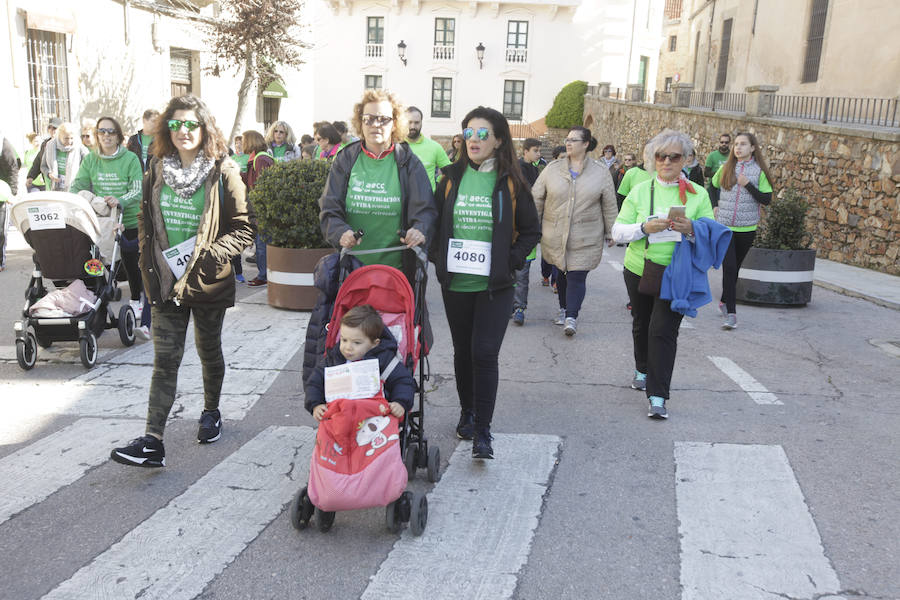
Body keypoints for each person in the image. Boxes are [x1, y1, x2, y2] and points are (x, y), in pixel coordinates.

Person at [110, 94, 254, 468]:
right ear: (166, 129)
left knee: (208, 350)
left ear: (204, 128)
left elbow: (244, 229)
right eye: (176, 124)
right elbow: (144, 218)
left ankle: (211, 411)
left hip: (206, 280)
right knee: (165, 360)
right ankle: (152, 442)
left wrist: (210, 256)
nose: (184, 130)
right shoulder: (156, 168)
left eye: (191, 124)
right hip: (165, 280)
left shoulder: (224, 171)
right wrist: (146, 258)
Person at [431, 106, 540, 459]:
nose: (473, 140)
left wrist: (509, 261)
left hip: (495, 286)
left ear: (498, 140)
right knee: (463, 352)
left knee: (484, 352)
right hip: (456, 284)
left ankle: (483, 430)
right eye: (468, 133)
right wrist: (437, 256)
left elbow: (531, 231)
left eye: (482, 134)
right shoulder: (450, 178)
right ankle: (467, 413)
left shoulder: (512, 182)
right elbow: (433, 223)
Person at [611, 129, 714, 420]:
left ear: (686, 160)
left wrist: (691, 228)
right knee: (642, 324)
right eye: (660, 156)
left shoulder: (698, 194)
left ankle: (658, 396)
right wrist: (644, 228)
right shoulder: (640, 190)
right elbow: (617, 231)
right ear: (652, 159)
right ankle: (642, 368)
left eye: (674, 156)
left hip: (678, 275)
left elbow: (711, 234)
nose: (666, 161)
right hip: (639, 269)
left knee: (663, 331)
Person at [319, 88, 436, 275]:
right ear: (361, 123)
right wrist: (340, 232)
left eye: (383, 119)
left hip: (397, 274)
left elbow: (425, 210)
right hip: (352, 271)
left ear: (395, 124)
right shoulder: (346, 159)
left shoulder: (409, 162)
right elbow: (329, 209)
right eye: (369, 119)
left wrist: (418, 230)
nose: (375, 125)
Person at [532, 126, 618, 336]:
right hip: (555, 234)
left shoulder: (600, 172)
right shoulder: (552, 169)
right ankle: (563, 309)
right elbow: (537, 198)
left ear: (586, 144)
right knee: (561, 273)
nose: (568, 143)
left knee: (577, 276)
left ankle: (571, 316)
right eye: (567, 139)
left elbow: (609, 204)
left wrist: (612, 231)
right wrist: (532, 227)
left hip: (586, 235)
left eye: (573, 140)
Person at [70, 117, 144, 319]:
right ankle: (100, 298)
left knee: (130, 261)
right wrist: (70, 199)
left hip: (127, 219)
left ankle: (136, 299)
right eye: (102, 131)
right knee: (99, 260)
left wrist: (120, 200)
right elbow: (79, 184)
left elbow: (137, 189)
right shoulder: (91, 159)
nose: (106, 135)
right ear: (97, 135)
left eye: (111, 132)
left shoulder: (130, 159)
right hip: (101, 219)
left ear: (118, 136)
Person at [304, 305, 415, 420]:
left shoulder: (384, 360)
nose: (348, 347)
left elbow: (402, 381)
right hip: (339, 416)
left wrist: (400, 402)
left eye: (356, 343)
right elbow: (314, 383)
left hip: (376, 417)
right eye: (344, 340)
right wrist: (316, 404)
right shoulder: (334, 359)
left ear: (374, 344)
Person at [709, 132, 773, 330]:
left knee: (735, 269)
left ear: (752, 148)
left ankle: (724, 300)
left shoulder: (759, 171)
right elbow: (711, 186)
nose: (738, 147)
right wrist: (714, 205)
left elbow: (766, 199)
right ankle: (731, 313)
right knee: (729, 268)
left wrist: (748, 185)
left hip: (747, 228)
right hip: (725, 227)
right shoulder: (726, 168)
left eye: (743, 144)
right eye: (736, 144)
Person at [510, 138, 543, 325]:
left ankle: (519, 308)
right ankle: (510, 305)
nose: (539, 154)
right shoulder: (517, 169)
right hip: (513, 228)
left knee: (522, 274)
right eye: (535, 150)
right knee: (512, 274)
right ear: (525, 151)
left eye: (539, 150)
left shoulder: (535, 169)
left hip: (528, 227)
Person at [241, 130, 276, 287]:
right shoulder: (257, 158)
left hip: (262, 209)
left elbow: (261, 186)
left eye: (244, 140)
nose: (242, 144)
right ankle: (264, 275)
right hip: (260, 209)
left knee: (262, 245)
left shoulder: (260, 159)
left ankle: (263, 276)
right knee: (261, 244)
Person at [405, 106, 451, 192]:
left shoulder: (435, 147)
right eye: (409, 122)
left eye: (416, 122)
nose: (412, 126)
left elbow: (451, 171)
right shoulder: (396, 146)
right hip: (402, 199)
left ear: (421, 123)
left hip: (427, 199)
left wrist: (438, 182)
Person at [40, 122, 89, 192]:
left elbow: (88, 166)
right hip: (55, 188)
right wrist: (49, 174)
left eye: (71, 138)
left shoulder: (79, 147)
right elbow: (43, 166)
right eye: (66, 138)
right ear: (59, 136)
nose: (69, 141)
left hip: (73, 188)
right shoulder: (50, 146)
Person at [26, 116, 61, 191]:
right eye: (49, 128)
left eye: (54, 128)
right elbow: (38, 161)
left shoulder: (66, 144)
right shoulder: (45, 144)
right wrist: (31, 176)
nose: (52, 130)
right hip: (49, 183)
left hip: (63, 182)